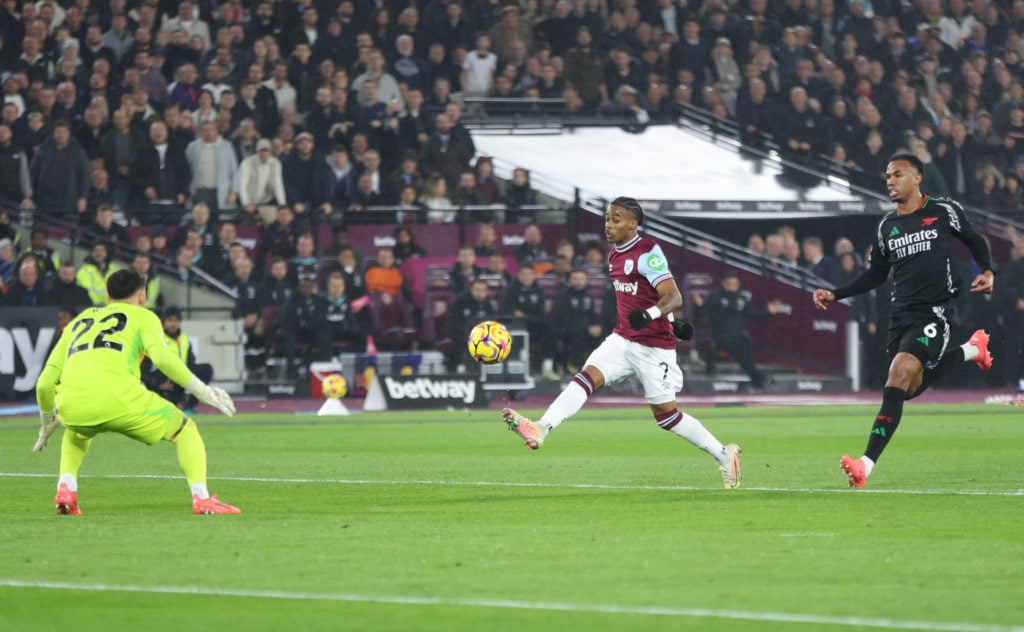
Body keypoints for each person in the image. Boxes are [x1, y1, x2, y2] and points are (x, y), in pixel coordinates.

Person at [501, 197, 742, 489]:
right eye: (606, 218)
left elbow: (674, 296)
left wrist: (654, 316)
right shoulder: (614, 253)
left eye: (616, 219)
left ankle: (723, 455)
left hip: (654, 349)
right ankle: (541, 427)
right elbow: (637, 296)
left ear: (633, 223)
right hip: (623, 339)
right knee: (584, 378)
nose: (608, 224)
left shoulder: (648, 251)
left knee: (667, 417)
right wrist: (661, 318)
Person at [813, 153, 996, 488]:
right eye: (887, 177)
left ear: (917, 178)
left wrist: (987, 271)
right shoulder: (887, 226)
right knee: (906, 389)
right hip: (901, 316)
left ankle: (864, 466)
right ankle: (972, 350)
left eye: (897, 175)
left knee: (898, 376)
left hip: (935, 311)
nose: (890, 182)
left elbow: (973, 239)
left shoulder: (942, 210)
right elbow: (876, 275)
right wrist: (836, 294)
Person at [32, 269, 240, 515]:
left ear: (109, 295)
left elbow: (44, 383)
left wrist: (47, 422)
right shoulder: (144, 317)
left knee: (77, 431)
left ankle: (65, 490)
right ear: (142, 296)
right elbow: (162, 359)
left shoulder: (78, 321)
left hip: (72, 405)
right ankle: (202, 499)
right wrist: (203, 391)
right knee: (185, 429)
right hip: (119, 400)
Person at [692, 271, 785, 391]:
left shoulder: (741, 299)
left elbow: (753, 315)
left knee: (744, 345)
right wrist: (698, 305)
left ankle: (757, 379)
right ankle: (759, 379)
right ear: (724, 284)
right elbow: (701, 314)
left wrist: (769, 312)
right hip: (720, 334)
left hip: (738, 335)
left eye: (735, 284)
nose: (732, 287)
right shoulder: (714, 297)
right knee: (740, 349)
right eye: (730, 284)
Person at [141, 305, 214, 415]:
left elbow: (190, 362)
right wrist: (158, 384)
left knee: (206, 369)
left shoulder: (183, 339)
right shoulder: (156, 339)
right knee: (170, 370)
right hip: (163, 381)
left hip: (179, 379)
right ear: (163, 322)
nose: (173, 324)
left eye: (176, 320)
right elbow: (143, 370)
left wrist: (190, 380)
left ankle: (188, 406)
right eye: (170, 320)